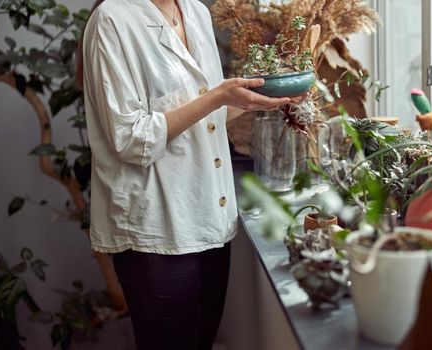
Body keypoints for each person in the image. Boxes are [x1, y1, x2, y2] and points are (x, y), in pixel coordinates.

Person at [76, 0, 297, 349]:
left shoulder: (196, 12)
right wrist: (216, 97)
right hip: (155, 231)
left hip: (208, 220)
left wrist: (263, 99)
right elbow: (131, 139)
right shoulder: (113, 19)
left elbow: (204, 121)